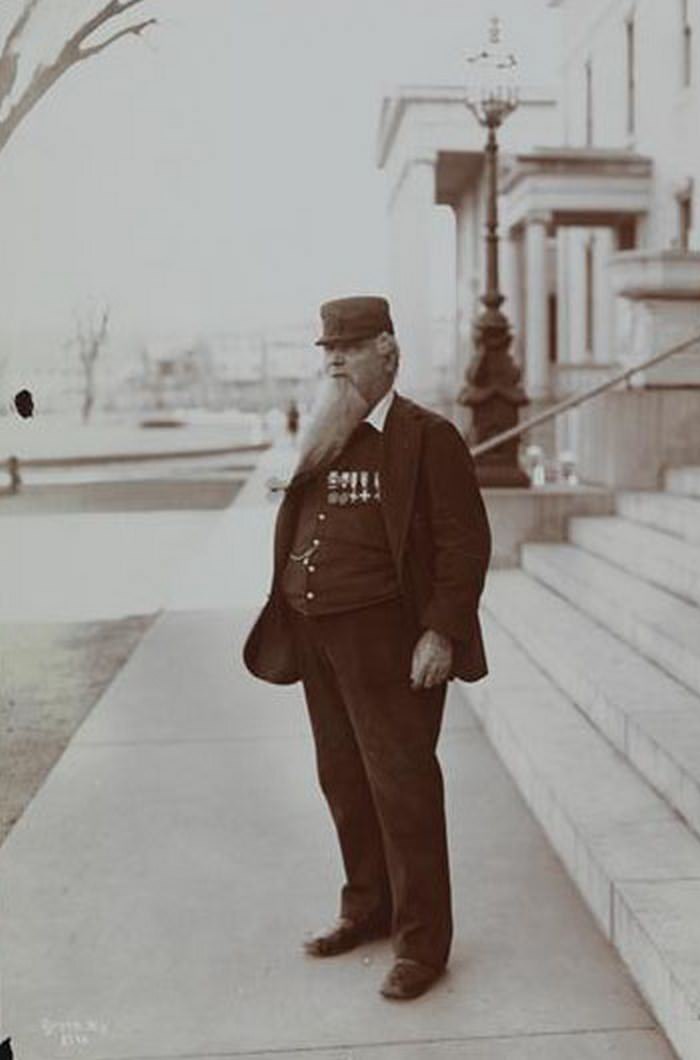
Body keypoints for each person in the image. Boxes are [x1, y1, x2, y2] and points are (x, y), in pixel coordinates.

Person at [243, 295, 491, 1000]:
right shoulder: (325, 433)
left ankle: (422, 944)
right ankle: (366, 908)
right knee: (343, 780)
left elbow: (464, 543)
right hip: (316, 634)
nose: (334, 362)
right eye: (327, 351)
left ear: (387, 348)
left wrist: (441, 630)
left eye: (347, 348)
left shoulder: (428, 435)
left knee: (402, 786)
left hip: (388, 644)